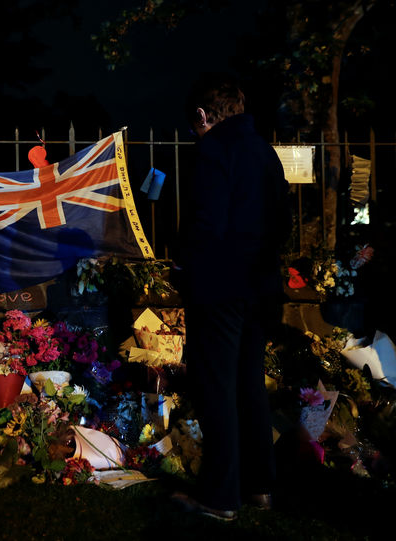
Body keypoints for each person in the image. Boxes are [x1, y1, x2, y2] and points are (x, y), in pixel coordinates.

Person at [172, 74, 292, 521]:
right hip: (260, 286)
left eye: (193, 125)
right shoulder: (264, 151)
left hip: (220, 285)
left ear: (202, 117)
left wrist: (185, 266)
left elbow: (208, 223)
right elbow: (282, 223)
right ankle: (261, 486)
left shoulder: (213, 150)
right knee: (249, 384)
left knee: (215, 387)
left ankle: (220, 496)